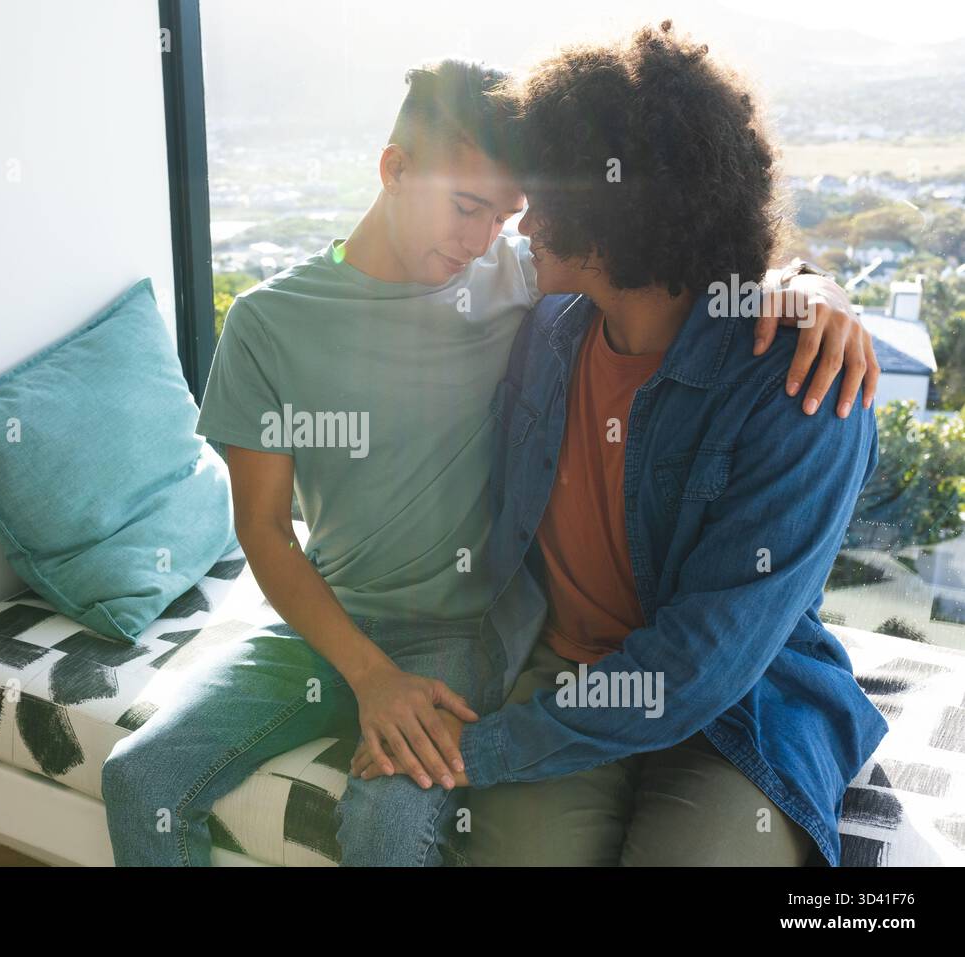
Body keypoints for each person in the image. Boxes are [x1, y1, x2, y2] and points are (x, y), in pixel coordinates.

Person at [102, 54, 876, 866]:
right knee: (147, 779)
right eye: (477, 208)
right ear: (392, 169)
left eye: (515, 213)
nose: (496, 238)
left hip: (595, 673)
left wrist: (811, 284)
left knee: (405, 827)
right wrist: (373, 677)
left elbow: (673, 262)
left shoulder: (543, 294)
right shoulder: (504, 318)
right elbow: (263, 529)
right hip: (428, 641)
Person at [351, 21, 888, 867]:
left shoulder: (803, 390)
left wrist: (479, 751)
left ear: (612, 214)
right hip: (562, 672)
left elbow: (701, 665)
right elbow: (399, 278)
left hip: (739, 710)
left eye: (546, 194)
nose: (522, 218)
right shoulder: (546, 326)